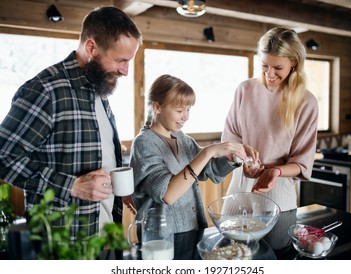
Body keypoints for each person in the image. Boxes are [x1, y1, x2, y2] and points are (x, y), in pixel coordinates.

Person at [0, 6, 142, 240]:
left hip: (105, 233)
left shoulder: (99, 89)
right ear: (91, 48)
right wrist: (72, 186)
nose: (126, 71)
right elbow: (4, 157)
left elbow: (97, 154)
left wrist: (120, 190)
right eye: (121, 60)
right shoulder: (46, 90)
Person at [128, 74, 247, 244]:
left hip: (193, 230)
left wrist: (234, 157)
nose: (186, 116)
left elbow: (208, 169)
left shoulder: (183, 139)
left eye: (188, 109)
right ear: (157, 107)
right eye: (179, 110)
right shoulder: (144, 144)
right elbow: (168, 194)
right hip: (161, 239)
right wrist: (207, 152)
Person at [222, 27, 318, 212]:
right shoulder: (245, 90)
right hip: (240, 181)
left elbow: (301, 162)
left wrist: (275, 171)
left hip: (277, 186)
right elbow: (230, 138)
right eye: (264, 65)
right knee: (231, 239)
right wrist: (243, 160)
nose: (270, 74)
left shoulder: (306, 102)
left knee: (276, 242)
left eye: (278, 68)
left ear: (294, 64)